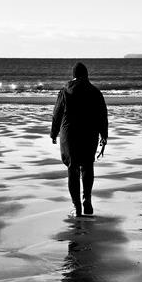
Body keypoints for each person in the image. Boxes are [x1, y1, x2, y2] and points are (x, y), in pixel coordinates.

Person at [51, 62, 108, 217]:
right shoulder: (95, 92)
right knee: (87, 166)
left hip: (70, 134)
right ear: (87, 75)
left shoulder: (65, 91)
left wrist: (53, 132)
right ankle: (87, 200)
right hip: (89, 133)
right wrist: (104, 135)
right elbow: (102, 115)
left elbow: (57, 113)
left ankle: (77, 208)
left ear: (73, 75)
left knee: (73, 168)